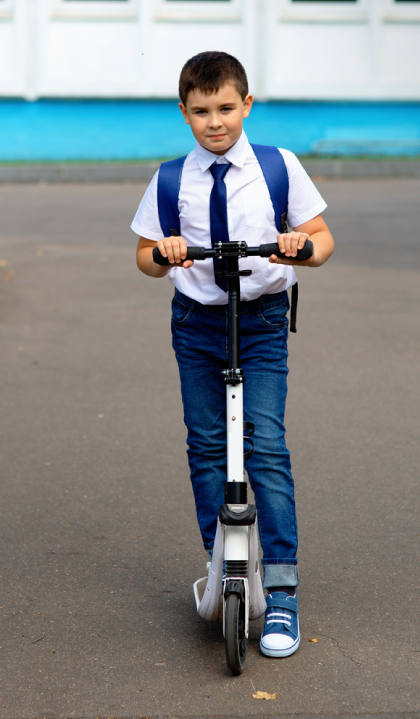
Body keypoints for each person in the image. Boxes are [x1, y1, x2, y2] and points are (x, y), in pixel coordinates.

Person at [131, 50, 335, 658]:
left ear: (247, 105)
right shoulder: (171, 178)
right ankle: (221, 563)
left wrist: (300, 247)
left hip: (263, 320)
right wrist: (163, 251)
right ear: (183, 113)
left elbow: (324, 242)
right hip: (197, 322)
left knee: (265, 444)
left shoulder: (278, 167)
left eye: (225, 108)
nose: (214, 121)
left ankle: (282, 590)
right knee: (206, 443)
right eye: (201, 111)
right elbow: (143, 258)